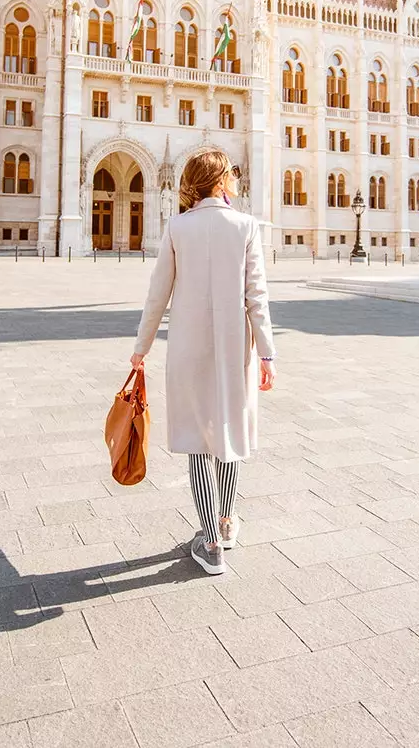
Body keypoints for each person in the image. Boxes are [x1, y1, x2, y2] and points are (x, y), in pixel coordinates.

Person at [131, 151, 275, 575]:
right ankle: (226, 525)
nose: (234, 178)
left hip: (190, 348)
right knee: (228, 430)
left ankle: (210, 541)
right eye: (230, 173)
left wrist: (142, 348)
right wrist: (266, 352)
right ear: (219, 181)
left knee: (198, 440)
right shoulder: (246, 225)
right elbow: (257, 297)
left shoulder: (178, 226)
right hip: (236, 349)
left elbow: (157, 294)